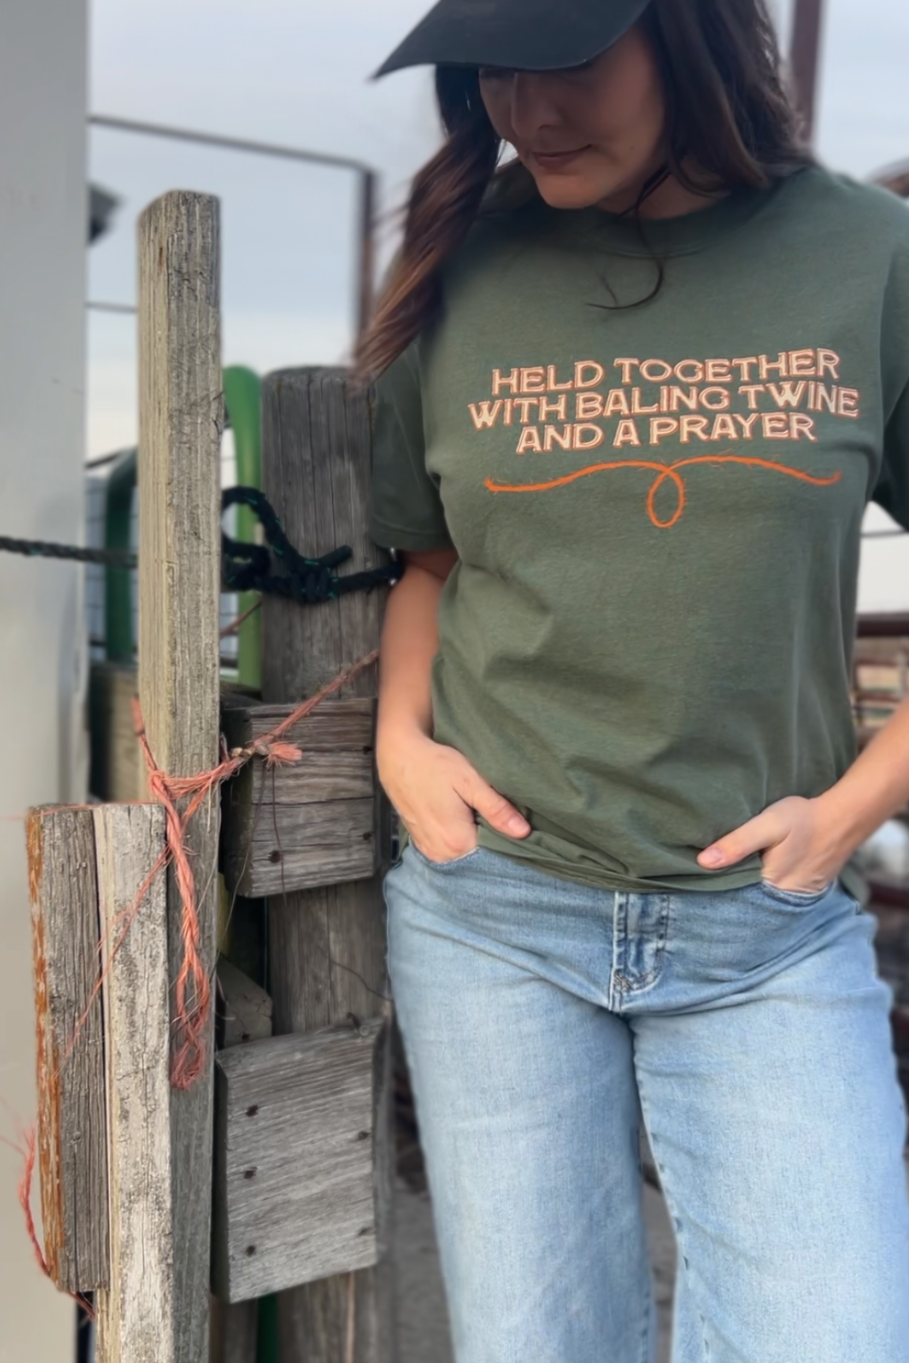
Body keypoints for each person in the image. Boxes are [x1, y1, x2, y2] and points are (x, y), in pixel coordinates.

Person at [361, 1, 909, 1359]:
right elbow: (428, 562)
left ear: (693, 37)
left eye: (565, 60)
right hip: (495, 916)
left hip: (764, 931)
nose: (524, 110)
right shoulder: (462, 262)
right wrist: (400, 748)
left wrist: (849, 810)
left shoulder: (871, 260)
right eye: (493, 70)